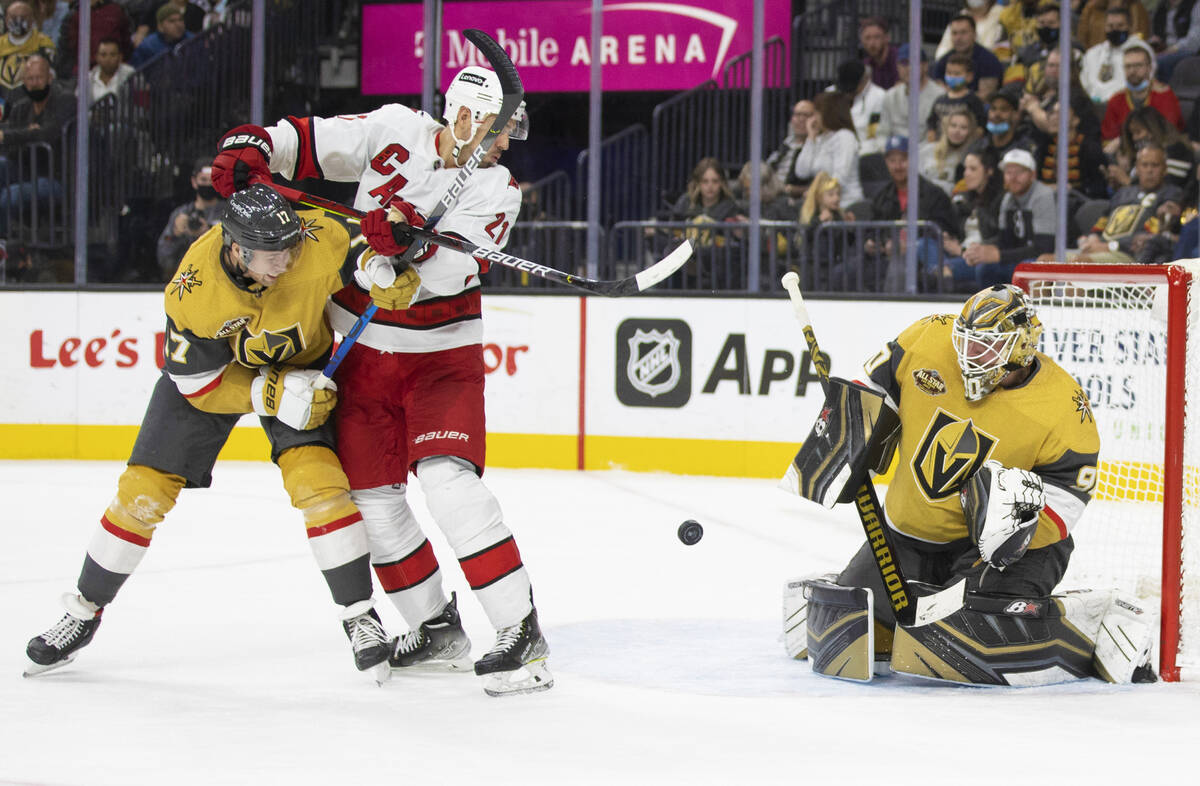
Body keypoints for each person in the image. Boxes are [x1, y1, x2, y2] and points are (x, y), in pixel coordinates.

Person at [211, 65, 552, 697]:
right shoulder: (395, 128)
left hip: (440, 357)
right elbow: (307, 143)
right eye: (501, 128)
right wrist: (256, 149)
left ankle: (521, 632)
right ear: (468, 117)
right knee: (371, 500)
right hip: (364, 348)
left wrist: (409, 247)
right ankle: (435, 629)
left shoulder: (498, 188)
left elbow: (448, 271)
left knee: (448, 483)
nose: (507, 142)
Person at [24, 183, 424, 679]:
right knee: (141, 493)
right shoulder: (194, 289)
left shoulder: (309, 240)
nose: (286, 261)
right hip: (215, 379)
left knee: (319, 485)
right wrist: (265, 394)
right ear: (237, 249)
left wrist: (381, 273)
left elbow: (363, 246)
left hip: (300, 370)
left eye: (291, 247)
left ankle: (360, 617)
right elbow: (196, 383)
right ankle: (82, 612)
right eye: (272, 256)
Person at [809, 283, 1143, 686]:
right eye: (965, 343)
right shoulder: (928, 337)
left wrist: (1013, 529)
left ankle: (1079, 622)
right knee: (849, 624)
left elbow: (1070, 493)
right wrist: (848, 429)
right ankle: (929, 594)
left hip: (996, 552)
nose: (968, 357)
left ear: (1020, 348)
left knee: (971, 627)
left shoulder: (1063, 404)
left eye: (984, 348)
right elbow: (874, 389)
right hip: (908, 536)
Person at [865, 135, 962, 290]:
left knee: (901, 264)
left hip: (923, 258)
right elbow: (872, 230)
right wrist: (877, 243)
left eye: (903, 159)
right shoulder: (881, 196)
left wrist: (910, 244)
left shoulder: (934, 194)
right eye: (892, 161)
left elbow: (945, 230)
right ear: (886, 163)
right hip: (886, 257)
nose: (898, 166)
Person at [1077, 143, 1184, 262]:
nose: (1149, 170)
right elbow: (1103, 222)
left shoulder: (1171, 194)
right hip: (1099, 249)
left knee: (1076, 263)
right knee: (1055, 258)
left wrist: (1110, 246)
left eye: (1155, 165)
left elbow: (1152, 235)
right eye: (1145, 165)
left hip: (1128, 255)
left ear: (1164, 169)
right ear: (1137, 169)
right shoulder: (1123, 193)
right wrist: (1092, 239)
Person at [962, 147, 1055, 283]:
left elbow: (1044, 247)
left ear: (1033, 175)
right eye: (1008, 172)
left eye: (1019, 172)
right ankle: (991, 304)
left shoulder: (1043, 196)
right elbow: (1006, 241)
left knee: (1026, 270)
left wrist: (998, 255)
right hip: (1021, 258)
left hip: (1048, 259)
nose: (1013, 178)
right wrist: (982, 249)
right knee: (985, 268)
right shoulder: (1008, 199)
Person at [0, 54, 69, 235]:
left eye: (39, 78)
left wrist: (27, 134)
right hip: (25, 169)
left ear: (49, 78)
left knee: (10, 195)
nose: (35, 83)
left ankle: (5, 245)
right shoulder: (20, 108)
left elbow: (48, 134)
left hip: (57, 177)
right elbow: (11, 147)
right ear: (24, 82)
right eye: (30, 79)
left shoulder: (65, 101)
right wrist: (29, 134)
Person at [1100, 42, 1184, 148]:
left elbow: (1169, 133)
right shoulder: (1116, 99)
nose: (1132, 71)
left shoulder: (1165, 95)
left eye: (1138, 65)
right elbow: (1108, 138)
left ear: (1149, 68)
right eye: (1128, 66)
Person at [943, 147, 1004, 290]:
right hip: (961, 254)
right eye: (965, 169)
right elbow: (957, 229)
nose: (966, 174)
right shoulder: (963, 199)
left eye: (973, 169)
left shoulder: (1001, 200)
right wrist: (947, 236)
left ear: (989, 171)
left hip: (981, 257)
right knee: (924, 245)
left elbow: (1000, 238)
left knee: (943, 268)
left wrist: (963, 250)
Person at [156, 157, 224, 279]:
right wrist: (174, 235)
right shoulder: (180, 214)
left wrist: (209, 232)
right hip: (186, 280)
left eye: (212, 180)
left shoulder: (230, 213)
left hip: (218, 279)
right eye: (203, 180)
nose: (207, 185)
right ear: (194, 181)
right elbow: (163, 259)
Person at [793, 91, 865, 208]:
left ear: (828, 113)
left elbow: (840, 177)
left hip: (846, 203)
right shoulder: (820, 138)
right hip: (821, 203)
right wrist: (811, 138)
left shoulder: (845, 137)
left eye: (816, 113)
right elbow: (801, 172)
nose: (813, 118)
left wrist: (816, 193)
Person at [1110, 105, 1195, 192]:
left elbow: (1168, 189)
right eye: (1132, 134)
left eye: (1138, 132)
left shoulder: (1177, 149)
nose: (1134, 138)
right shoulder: (1141, 153)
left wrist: (1126, 181)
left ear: (1152, 129)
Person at [878, 43, 945, 143]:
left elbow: (939, 138)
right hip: (895, 152)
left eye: (914, 62)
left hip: (926, 152)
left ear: (925, 66)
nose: (909, 68)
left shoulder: (940, 96)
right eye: (904, 63)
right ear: (897, 67)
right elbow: (882, 134)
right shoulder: (890, 96)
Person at [932, 12, 1005, 100]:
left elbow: (986, 96)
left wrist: (958, 99)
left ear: (974, 34)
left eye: (963, 33)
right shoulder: (944, 60)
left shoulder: (989, 60)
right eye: (954, 33)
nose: (958, 38)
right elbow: (937, 90)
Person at [1081, 6, 1145, 104]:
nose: (1115, 30)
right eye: (1110, 26)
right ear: (1105, 27)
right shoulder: (1093, 53)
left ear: (1129, 26)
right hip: (1092, 106)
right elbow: (1084, 84)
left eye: (1120, 26)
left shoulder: (1142, 52)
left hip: (1125, 106)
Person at [0, 1, 56, 108]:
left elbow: (51, 75)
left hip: (31, 98)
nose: (18, 21)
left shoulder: (43, 42)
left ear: (32, 19)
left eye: (23, 17)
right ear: (6, 19)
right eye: (13, 17)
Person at [57, 0, 133, 77]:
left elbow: (126, 43)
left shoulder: (116, 10)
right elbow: (66, 51)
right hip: (83, 74)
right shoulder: (74, 16)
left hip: (115, 70)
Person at [926, 54, 989, 139]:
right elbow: (931, 122)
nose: (952, 76)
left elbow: (980, 127)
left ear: (969, 76)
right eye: (949, 73)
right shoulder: (940, 99)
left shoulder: (973, 100)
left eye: (957, 74)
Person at [921, 109, 982, 193]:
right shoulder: (926, 150)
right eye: (953, 125)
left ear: (970, 132)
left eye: (963, 127)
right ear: (946, 127)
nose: (957, 131)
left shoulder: (970, 159)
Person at [836, 59, 886, 156]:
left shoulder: (879, 97)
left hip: (864, 152)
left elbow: (876, 136)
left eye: (852, 89)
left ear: (865, 79)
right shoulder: (831, 93)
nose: (847, 93)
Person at [971, 85, 1033, 163]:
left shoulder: (1023, 148)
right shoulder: (979, 146)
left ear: (1014, 115)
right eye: (993, 109)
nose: (996, 114)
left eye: (1004, 110)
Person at [766, 99, 813, 197]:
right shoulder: (786, 143)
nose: (801, 119)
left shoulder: (817, 147)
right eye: (797, 115)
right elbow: (768, 166)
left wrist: (794, 190)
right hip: (770, 191)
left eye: (806, 115)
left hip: (789, 198)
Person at [670, 157, 739, 222]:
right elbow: (672, 230)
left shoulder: (729, 207)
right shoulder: (685, 202)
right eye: (705, 181)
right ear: (698, 183)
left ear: (722, 183)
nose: (710, 186)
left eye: (715, 181)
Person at [936, 1, 1006, 61]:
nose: (959, 37)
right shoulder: (962, 14)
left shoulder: (1002, 15)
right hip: (958, 65)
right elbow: (942, 51)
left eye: (963, 32)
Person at [1151, 0, 1200, 82]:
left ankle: (1166, 91)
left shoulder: (1195, 5)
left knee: (1160, 62)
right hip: (1165, 49)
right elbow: (1157, 34)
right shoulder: (1162, 7)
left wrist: (1173, 49)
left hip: (1189, 51)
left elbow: (1194, 41)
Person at [130, 3, 192, 68]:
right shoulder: (147, 47)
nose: (178, 25)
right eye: (172, 21)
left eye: (180, 20)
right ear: (160, 26)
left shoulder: (193, 41)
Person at [1078, 0, 1151, 50]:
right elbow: (1083, 38)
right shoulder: (1092, 8)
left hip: (1130, 55)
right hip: (1099, 57)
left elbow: (1143, 36)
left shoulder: (1136, 8)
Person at [88, 37, 135, 105]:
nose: (108, 59)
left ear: (120, 57)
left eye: (112, 55)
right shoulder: (88, 78)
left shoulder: (130, 74)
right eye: (103, 55)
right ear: (97, 57)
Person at [859, 16, 898, 89]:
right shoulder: (866, 65)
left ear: (887, 38)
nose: (872, 43)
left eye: (877, 37)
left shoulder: (898, 59)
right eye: (867, 38)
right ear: (862, 41)